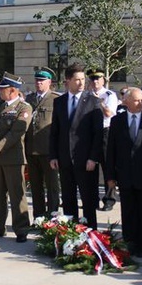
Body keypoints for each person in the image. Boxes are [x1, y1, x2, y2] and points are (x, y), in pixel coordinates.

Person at [106, 87, 142, 258]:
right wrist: (110, 176)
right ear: (126, 101)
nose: (141, 103)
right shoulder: (117, 121)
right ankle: (130, 241)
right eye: (137, 100)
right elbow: (111, 150)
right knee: (129, 211)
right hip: (126, 175)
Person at [0, 72, 33, 243]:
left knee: (17, 195)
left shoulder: (23, 108)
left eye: (2, 89)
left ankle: (21, 228)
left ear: (12, 91)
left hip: (13, 158)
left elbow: (16, 133)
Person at [49, 63, 103, 228]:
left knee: (88, 200)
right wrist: (53, 156)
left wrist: (93, 158)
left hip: (86, 160)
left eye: (82, 79)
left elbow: (98, 134)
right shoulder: (59, 102)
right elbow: (55, 131)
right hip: (65, 159)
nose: (81, 83)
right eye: (76, 80)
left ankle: (91, 235)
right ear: (67, 81)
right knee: (68, 199)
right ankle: (70, 234)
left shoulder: (93, 101)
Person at [24, 67, 61, 219]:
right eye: (37, 80)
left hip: (48, 151)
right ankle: (38, 217)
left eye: (42, 80)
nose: (39, 83)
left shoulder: (56, 99)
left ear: (49, 82)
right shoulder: (29, 99)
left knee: (52, 186)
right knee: (35, 186)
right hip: (31, 149)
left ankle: (52, 217)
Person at [87, 68, 119, 212]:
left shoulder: (109, 95)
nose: (95, 81)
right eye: (92, 79)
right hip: (90, 132)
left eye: (98, 78)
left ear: (103, 80)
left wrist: (99, 101)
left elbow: (109, 113)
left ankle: (109, 199)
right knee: (90, 167)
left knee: (108, 167)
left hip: (106, 131)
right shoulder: (86, 95)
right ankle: (91, 198)